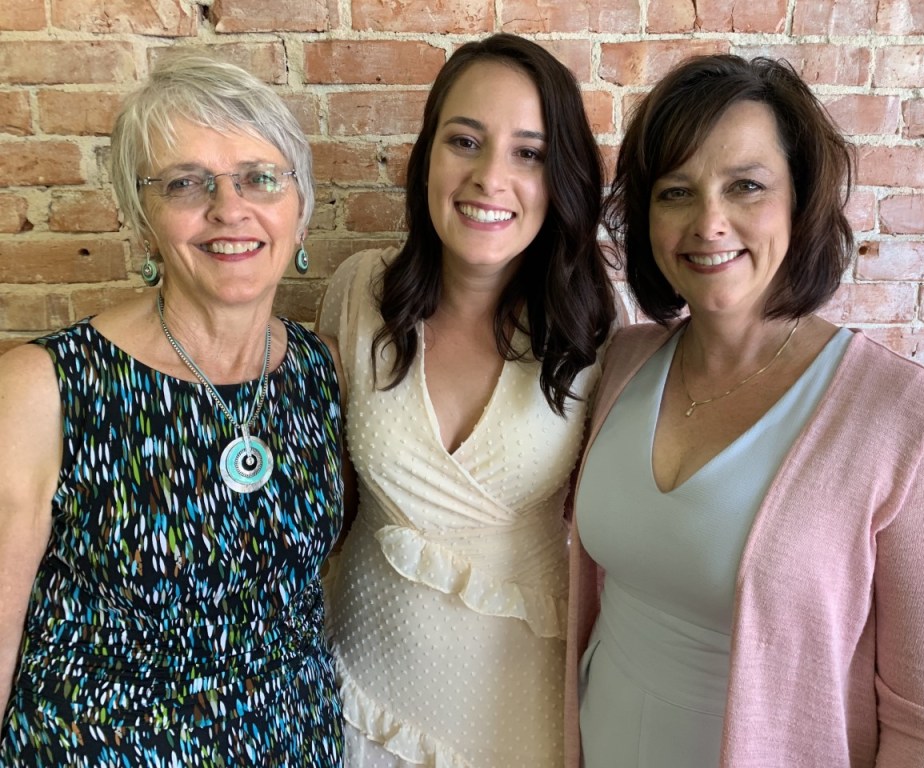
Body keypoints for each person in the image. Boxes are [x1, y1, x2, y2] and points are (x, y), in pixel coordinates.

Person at [565, 54, 924, 768]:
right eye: (676, 192)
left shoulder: (911, 424)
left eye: (746, 186)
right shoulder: (623, 365)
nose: (710, 222)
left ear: (799, 202)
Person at [0, 55, 346, 764]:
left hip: (293, 745)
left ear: (300, 206)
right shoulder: (48, 385)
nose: (229, 208)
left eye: (260, 177)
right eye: (187, 183)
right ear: (141, 218)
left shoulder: (320, 371)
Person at [317, 32, 616, 768]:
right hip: (360, 687)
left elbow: (610, 536)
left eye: (529, 153)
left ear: (562, 177)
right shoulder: (359, 294)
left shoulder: (598, 332)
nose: (490, 177)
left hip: (518, 706)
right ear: (427, 157)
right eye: (465, 141)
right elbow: (331, 506)